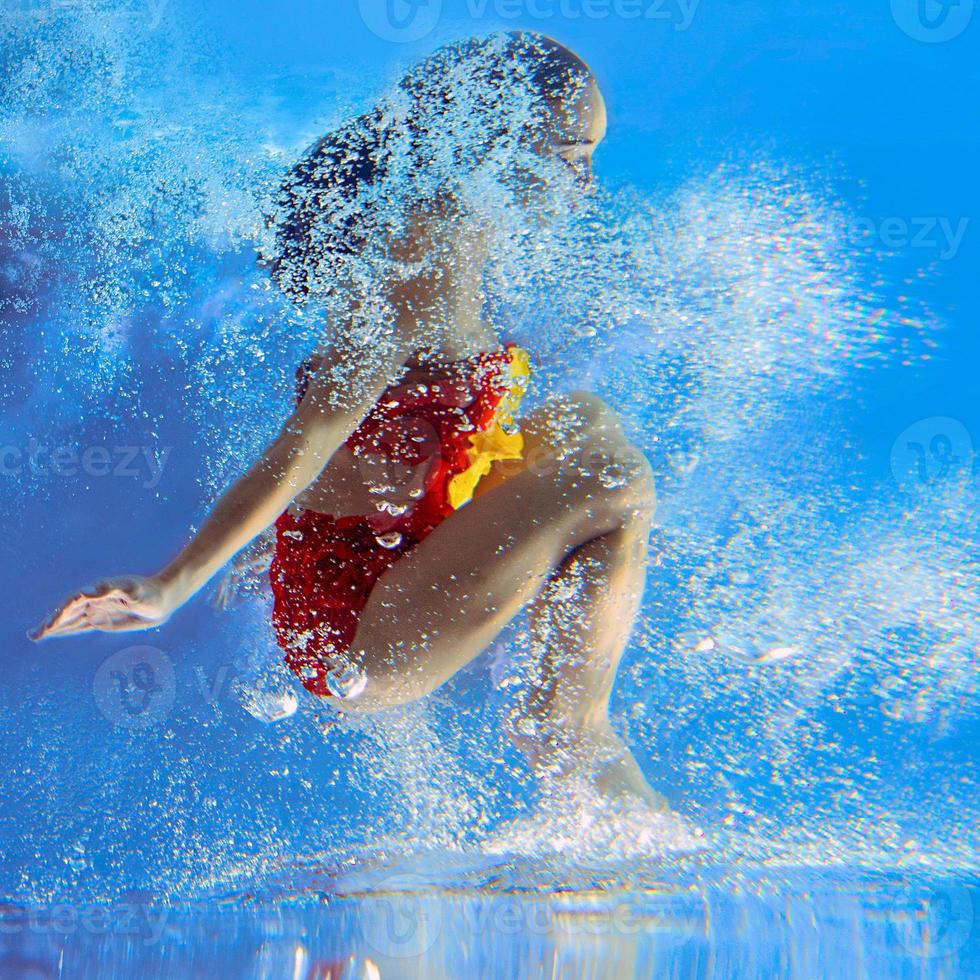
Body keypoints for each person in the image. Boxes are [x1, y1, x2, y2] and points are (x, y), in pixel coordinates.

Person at [30, 32, 664, 809]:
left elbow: (403, 430)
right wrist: (172, 585)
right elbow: (313, 435)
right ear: (498, 136)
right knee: (612, 477)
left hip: (394, 559)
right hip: (358, 622)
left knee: (584, 428)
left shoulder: (465, 238)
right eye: (571, 154)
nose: (587, 184)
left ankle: (560, 718)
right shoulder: (416, 256)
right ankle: (565, 727)